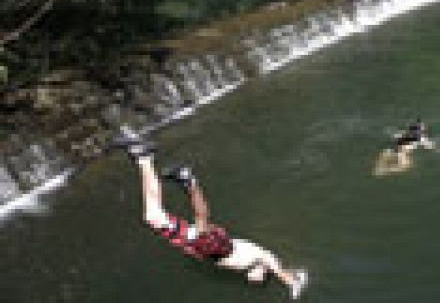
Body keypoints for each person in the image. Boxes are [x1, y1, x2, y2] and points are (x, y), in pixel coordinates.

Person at [113, 126, 308, 300]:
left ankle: (143, 157)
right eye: (258, 279)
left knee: (153, 216)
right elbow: (284, 273)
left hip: (201, 246)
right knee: (201, 223)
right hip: (219, 247)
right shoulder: (263, 259)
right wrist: (293, 282)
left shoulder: (251, 264)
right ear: (263, 272)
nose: (253, 281)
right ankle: (188, 180)